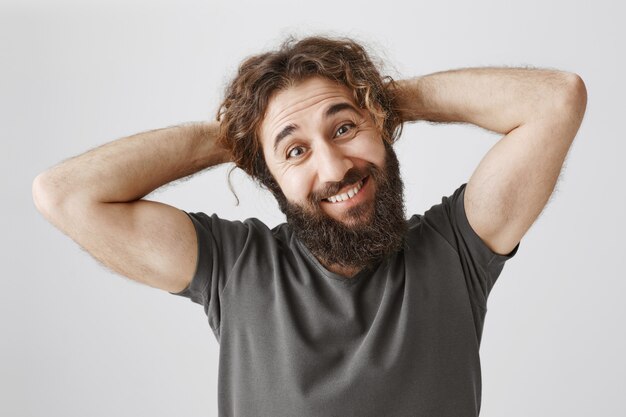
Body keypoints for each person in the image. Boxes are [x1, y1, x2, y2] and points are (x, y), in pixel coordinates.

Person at [32, 36, 587, 416]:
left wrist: (386, 97)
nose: (334, 166)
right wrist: (239, 134)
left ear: (382, 129)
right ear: (269, 178)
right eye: (295, 150)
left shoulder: (456, 250)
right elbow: (64, 194)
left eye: (345, 127)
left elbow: (555, 99)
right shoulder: (234, 266)